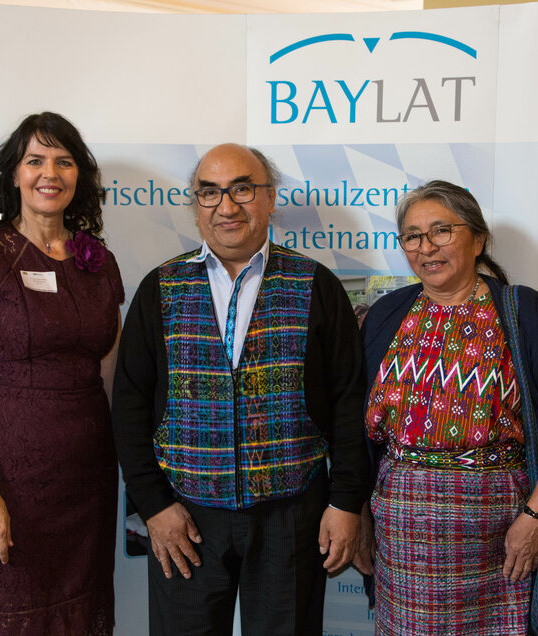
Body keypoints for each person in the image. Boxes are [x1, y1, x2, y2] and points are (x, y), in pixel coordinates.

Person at [112, 143, 369, 635]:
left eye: (242, 189)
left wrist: (344, 502)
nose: (226, 206)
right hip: (184, 514)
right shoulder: (161, 288)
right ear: (196, 206)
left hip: (291, 515)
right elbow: (129, 405)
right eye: (209, 192)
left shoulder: (315, 285)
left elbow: (348, 403)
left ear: (269, 198)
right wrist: (154, 505)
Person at [354, 180, 538, 635]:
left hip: (502, 531)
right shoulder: (387, 314)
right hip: (401, 533)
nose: (426, 247)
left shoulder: (522, 311)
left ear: (478, 239)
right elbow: (357, 427)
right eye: (412, 236)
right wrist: (359, 512)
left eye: (441, 230)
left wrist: (537, 517)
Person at [0, 112, 123, 635]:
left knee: (82, 615)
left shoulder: (99, 261)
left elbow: (108, 374)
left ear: (79, 176)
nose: (50, 173)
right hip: (8, 481)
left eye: (64, 162)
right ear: (14, 174)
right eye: (35, 160)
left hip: (86, 481)